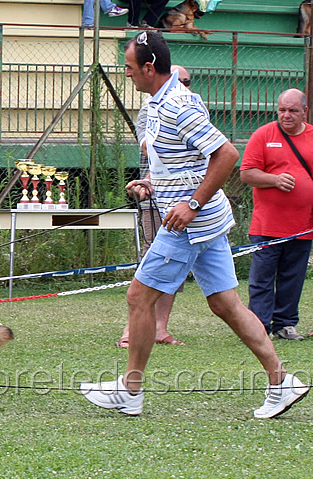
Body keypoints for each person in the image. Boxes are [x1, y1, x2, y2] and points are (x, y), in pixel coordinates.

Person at [80, 31, 309, 418]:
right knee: (226, 304)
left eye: (131, 69)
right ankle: (282, 381)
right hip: (207, 222)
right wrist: (154, 183)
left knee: (138, 298)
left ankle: (130, 391)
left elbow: (226, 155)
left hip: (189, 224)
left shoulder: (177, 105)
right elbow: (186, 161)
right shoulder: (158, 103)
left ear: (150, 68)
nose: (128, 75)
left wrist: (190, 203)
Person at [115, 64, 191, 348]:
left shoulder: (190, 108)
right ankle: (131, 330)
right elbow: (152, 148)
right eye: (178, 80)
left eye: (188, 81)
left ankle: (160, 328)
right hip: (156, 196)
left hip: (184, 201)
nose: (183, 86)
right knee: (152, 261)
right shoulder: (152, 108)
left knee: (174, 263)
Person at [240, 88, 313, 341]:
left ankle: (285, 324)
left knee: (292, 278)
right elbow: (247, 173)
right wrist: (273, 179)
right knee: (261, 278)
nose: (286, 115)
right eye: (282, 110)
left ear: (305, 111)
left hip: (303, 226)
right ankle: (258, 326)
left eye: (293, 110)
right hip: (266, 226)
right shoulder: (263, 134)